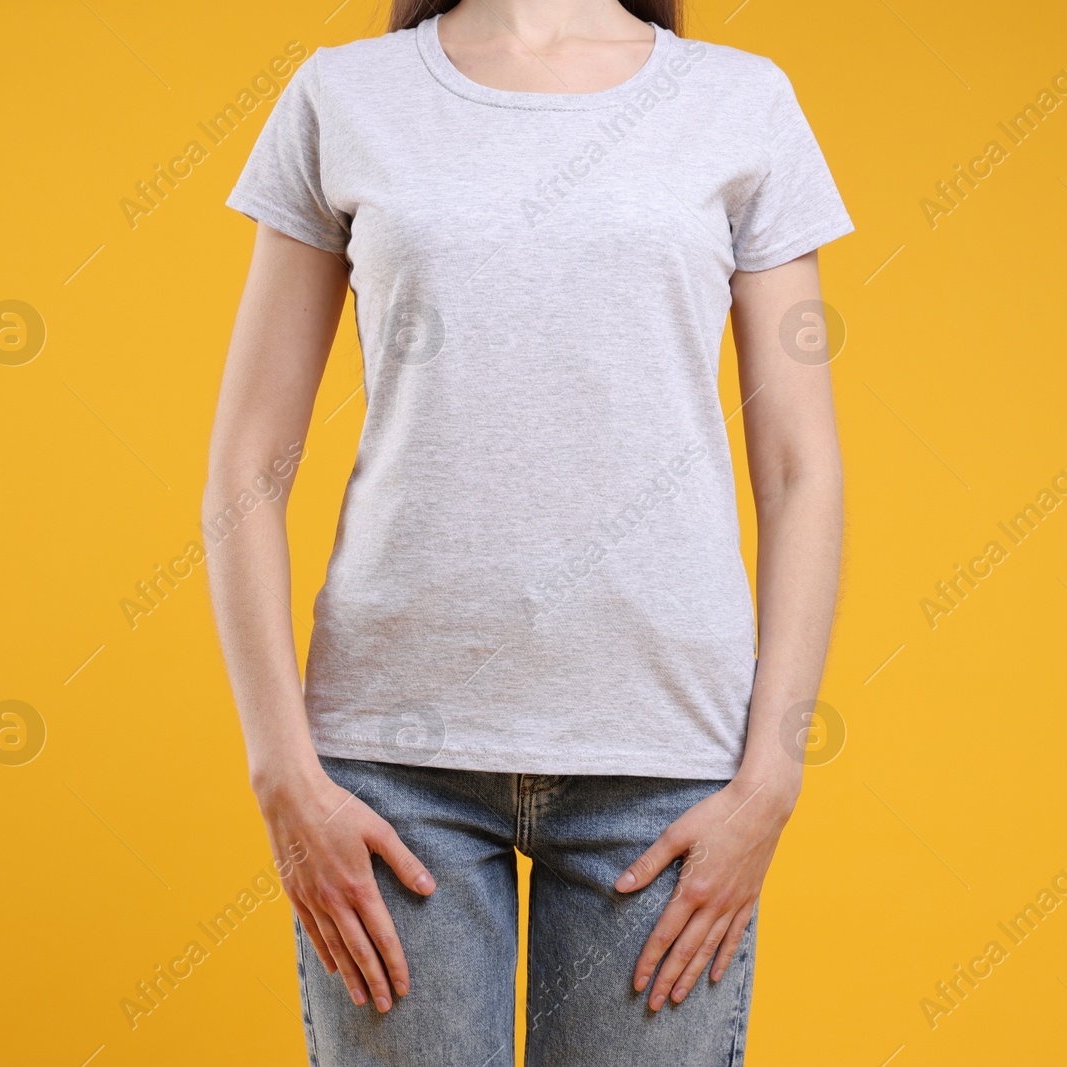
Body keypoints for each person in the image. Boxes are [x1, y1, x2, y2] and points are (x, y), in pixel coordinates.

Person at [205, 0, 852, 1062]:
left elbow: (798, 468)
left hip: (667, 759)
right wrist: (281, 772)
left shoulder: (740, 101)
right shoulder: (346, 94)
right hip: (387, 766)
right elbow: (245, 465)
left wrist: (770, 779)